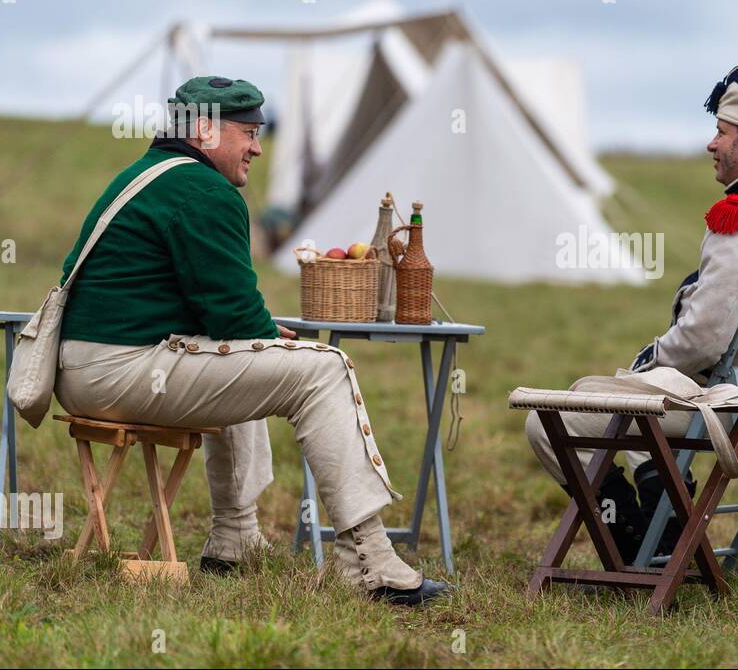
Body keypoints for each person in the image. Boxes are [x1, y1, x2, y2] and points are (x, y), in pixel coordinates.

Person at [53, 76, 448, 607]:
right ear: (205, 131)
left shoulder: (146, 174)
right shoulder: (203, 191)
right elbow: (235, 315)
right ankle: (370, 562)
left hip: (88, 371)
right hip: (121, 371)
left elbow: (223, 320)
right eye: (248, 132)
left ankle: (234, 538)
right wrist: (265, 337)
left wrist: (259, 337)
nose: (259, 147)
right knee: (323, 368)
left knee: (255, 360)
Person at [525, 36, 738, 560]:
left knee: (550, 421)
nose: (711, 143)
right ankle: (662, 523)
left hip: (735, 411)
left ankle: (631, 540)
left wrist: (645, 363)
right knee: (629, 397)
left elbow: (702, 342)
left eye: (721, 131)